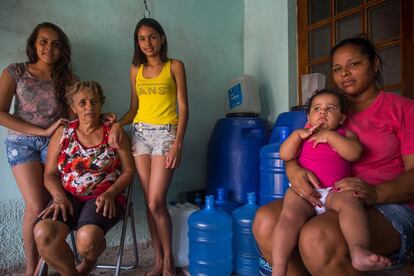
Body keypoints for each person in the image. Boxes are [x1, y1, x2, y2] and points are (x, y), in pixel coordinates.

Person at [253, 35, 414, 276]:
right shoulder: (323, 113)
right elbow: (294, 152)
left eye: (354, 64)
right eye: (337, 68)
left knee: (317, 237)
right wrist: (294, 171)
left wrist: (375, 192)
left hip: (388, 203)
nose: (345, 73)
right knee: (266, 221)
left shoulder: (404, 109)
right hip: (324, 195)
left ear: (375, 64)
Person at [272, 88, 394, 276]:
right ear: (309, 116)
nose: (323, 112)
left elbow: (354, 153)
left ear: (342, 118)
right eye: (317, 109)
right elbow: (284, 155)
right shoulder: (303, 135)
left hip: (335, 191)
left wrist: (330, 136)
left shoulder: (345, 135)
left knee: (352, 203)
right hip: (304, 192)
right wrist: (296, 136)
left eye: (330, 109)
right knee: (288, 218)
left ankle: (358, 250)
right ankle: (279, 268)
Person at [110, 18, 189, 275]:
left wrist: (178, 143)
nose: (148, 43)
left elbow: (184, 107)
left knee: (156, 202)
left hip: (166, 134)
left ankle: (169, 262)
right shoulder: (135, 69)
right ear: (137, 42)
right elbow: (133, 110)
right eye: (142, 38)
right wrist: (116, 124)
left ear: (162, 38)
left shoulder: (174, 66)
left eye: (153, 37)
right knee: (148, 202)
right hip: (140, 135)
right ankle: (158, 261)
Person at [33, 80, 134, 275]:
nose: (89, 107)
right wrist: (58, 196)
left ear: (101, 105)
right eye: (83, 103)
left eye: (94, 102)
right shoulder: (63, 133)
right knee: (43, 233)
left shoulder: (113, 133)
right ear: (73, 107)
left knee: (86, 239)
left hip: (104, 197)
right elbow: (50, 174)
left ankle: (87, 264)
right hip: (67, 195)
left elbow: (129, 171)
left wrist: (111, 193)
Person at [0, 22, 75, 276]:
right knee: (35, 205)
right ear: (34, 43)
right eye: (43, 41)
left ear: (62, 49)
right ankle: (32, 271)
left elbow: (79, 116)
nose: (48, 47)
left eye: (55, 43)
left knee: (52, 204)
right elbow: (0, 113)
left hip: (55, 144)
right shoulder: (16, 71)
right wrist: (41, 131)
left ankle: (47, 263)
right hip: (22, 144)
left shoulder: (67, 78)